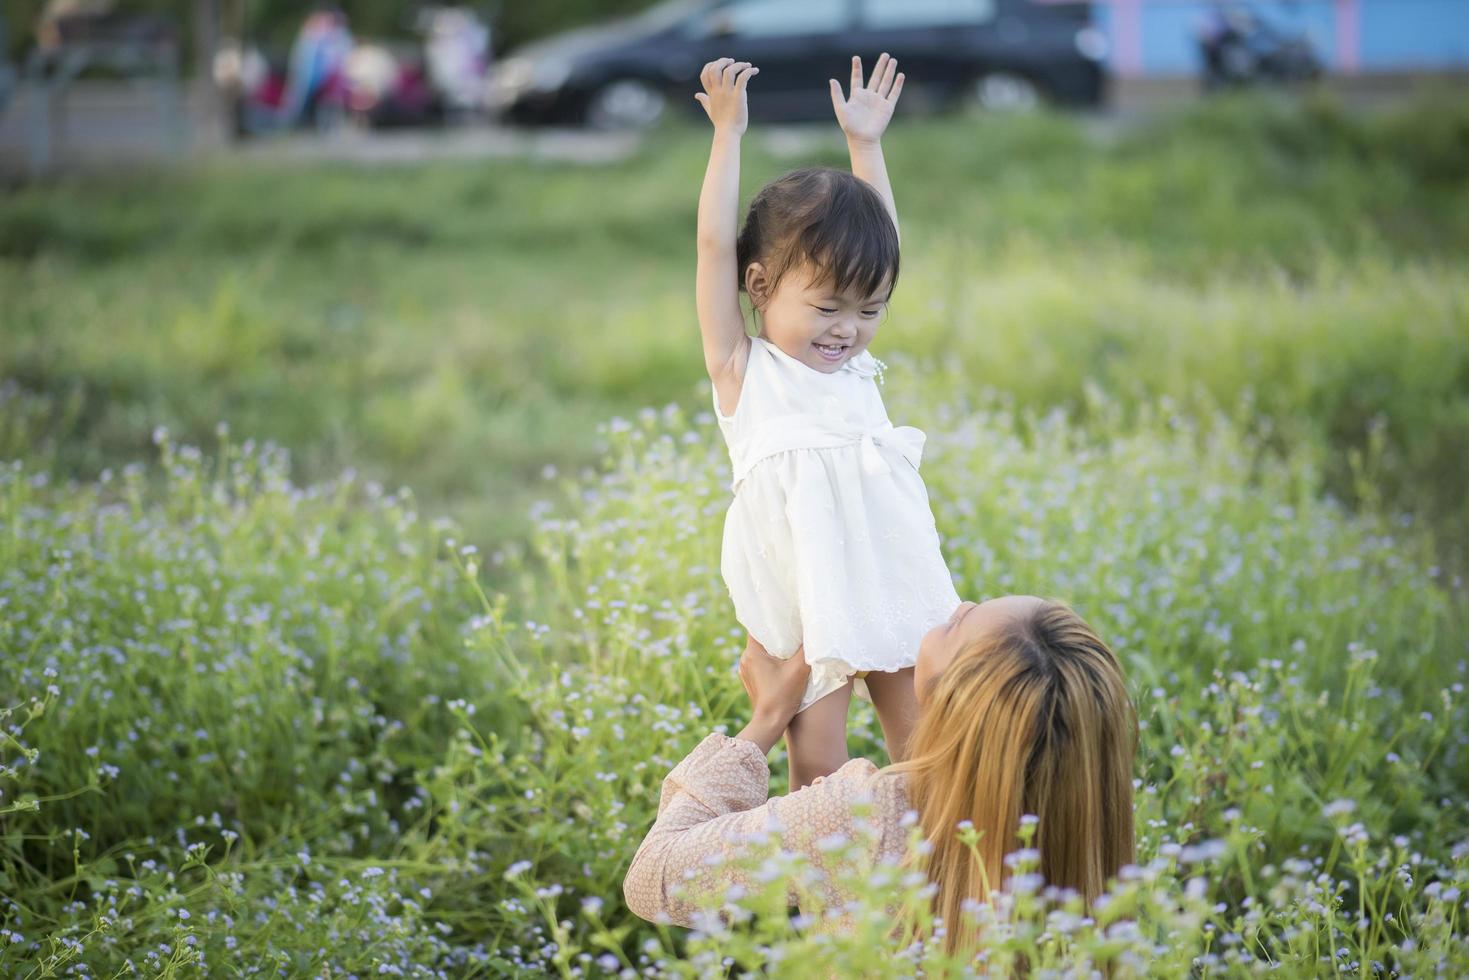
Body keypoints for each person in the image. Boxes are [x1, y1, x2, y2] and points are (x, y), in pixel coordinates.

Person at [693, 53, 961, 795]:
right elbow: (714, 247)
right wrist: (727, 133)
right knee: (818, 763)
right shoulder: (742, 371)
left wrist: (866, 147)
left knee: (923, 742)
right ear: (760, 285)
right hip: (805, 586)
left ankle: (930, 882)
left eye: (868, 311)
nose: (848, 329)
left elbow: (886, 251)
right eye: (827, 308)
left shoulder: (854, 372)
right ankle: (831, 898)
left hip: (891, 566)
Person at [623, 595, 1139, 959]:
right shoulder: (1084, 825)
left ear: (945, 698)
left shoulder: (868, 816)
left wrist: (763, 721)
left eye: (960, 624)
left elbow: (653, 878)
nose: (954, 606)